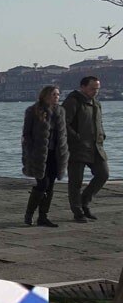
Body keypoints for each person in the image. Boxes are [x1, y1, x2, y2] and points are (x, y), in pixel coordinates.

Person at [62, 75, 109, 221]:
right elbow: (63, 123)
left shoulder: (96, 103)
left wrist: (102, 135)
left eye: (97, 89)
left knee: (103, 174)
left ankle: (85, 201)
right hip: (77, 148)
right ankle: (78, 211)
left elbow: (98, 122)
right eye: (92, 88)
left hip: (96, 147)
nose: (95, 91)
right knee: (76, 181)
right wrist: (76, 137)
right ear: (83, 87)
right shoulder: (72, 101)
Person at [21, 85, 69, 227]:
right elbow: (26, 134)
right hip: (39, 155)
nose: (56, 97)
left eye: (58, 95)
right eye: (54, 94)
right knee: (42, 184)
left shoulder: (60, 111)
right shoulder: (33, 111)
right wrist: (30, 151)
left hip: (55, 154)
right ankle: (29, 214)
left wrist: (64, 150)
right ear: (45, 96)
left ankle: (43, 216)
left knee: (50, 186)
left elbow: (63, 134)